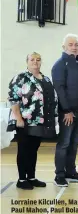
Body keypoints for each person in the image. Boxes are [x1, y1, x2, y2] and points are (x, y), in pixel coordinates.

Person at [7, 52, 57, 190]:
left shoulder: (46, 79)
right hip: (24, 121)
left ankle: (31, 177)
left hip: (40, 121)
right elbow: (13, 99)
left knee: (33, 149)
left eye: (38, 59)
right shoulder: (20, 78)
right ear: (27, 62)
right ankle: (22, 179)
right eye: (32, 59)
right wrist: (18, 118)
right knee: (24, 149)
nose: (35, 62)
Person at [52, 33, 78, 187]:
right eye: (70, 44)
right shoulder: (59, 65)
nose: (74, 47)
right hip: (67, 113)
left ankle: (71, 171)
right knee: (64, 144)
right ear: (64, 47)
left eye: (76, 44)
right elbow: (59, 89)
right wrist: (66, 110)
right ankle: (59, 175)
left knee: (74, 144)